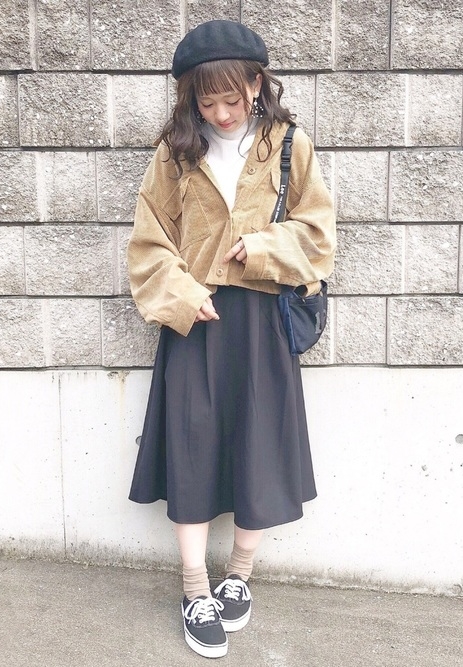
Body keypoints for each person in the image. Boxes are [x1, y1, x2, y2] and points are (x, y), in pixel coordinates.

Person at [127, 19, 336, 659]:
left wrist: (264, 247)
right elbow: (149, 243)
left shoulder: (289, 144)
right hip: (197, 321)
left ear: (256, 84)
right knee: (191, 448)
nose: (221, 113)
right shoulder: (174, 153)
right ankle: (195, 589)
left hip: (264, 320)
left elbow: (318, 233)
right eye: (206, 100)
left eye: (232, 98)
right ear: (189, 97)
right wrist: (183, 295)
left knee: (259, 445)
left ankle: (239, 576)